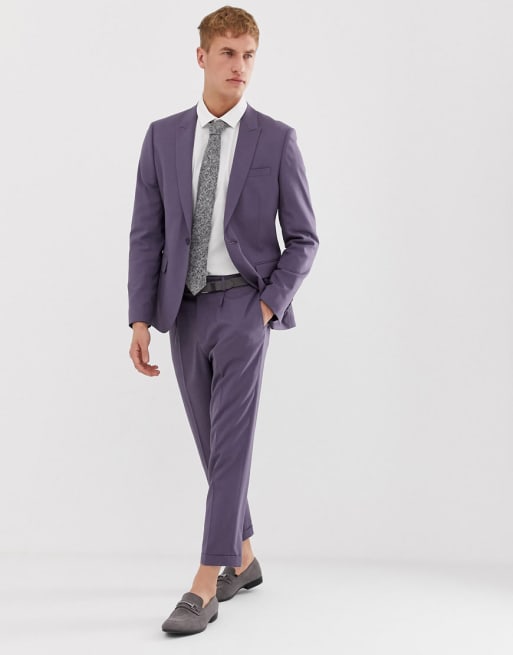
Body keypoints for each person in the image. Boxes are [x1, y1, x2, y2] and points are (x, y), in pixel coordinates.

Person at [127, 5, 319, 636]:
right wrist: (140, 318)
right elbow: (147, 233)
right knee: (212, 446)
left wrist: (265, 307)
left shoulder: (276, 138)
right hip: (181, 310)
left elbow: (304, 238)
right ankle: (245, 556)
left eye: (249, 55)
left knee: (232, 444)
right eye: (229, 53)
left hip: (243, 307)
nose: (240, 66)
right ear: (202, 56)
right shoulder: (162, 137)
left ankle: (205, 582)